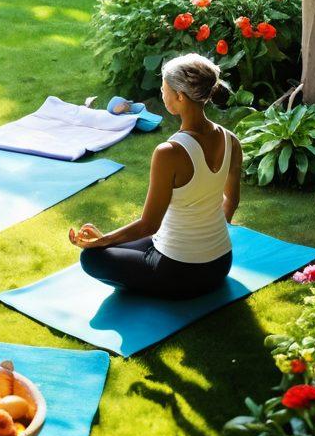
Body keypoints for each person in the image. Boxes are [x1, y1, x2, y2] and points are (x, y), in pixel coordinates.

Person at [69, 54, 243, 299]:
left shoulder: (169, 153)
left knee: (91, 258)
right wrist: (206, 242)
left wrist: (103, 242)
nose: (162, 94)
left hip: (179, 273)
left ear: (180, 97)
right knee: (120, 243)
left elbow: (149, 225)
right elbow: (231, 201)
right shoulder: (231, 140)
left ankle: (152, 281)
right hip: (220, 262)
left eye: (164, 89)